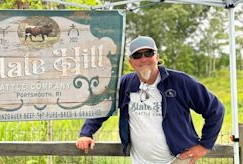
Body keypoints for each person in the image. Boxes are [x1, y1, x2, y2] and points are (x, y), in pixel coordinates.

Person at [76, 36, 225, 164]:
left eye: (149, 53)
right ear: (131, 62)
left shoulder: (180, 81)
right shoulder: (125, 83)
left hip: (178, 160)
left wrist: (205, 145)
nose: (144, 59)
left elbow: (216, 109)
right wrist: (86, 133)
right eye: (137, 55)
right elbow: (104, 107)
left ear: (157, 57)